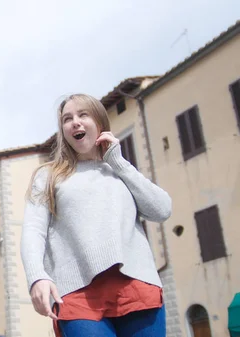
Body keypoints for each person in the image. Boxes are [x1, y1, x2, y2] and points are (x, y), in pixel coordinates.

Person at [20, 93, 172, 337]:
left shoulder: (120, 171)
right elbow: (33, 230)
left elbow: (162, 209)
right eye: (67, 119)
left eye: (83, 115)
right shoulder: (48, 176)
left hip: (137, 287)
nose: (75, 122)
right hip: (77, 294)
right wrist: (37, 276)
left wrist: (118, 162)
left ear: (100, 122)